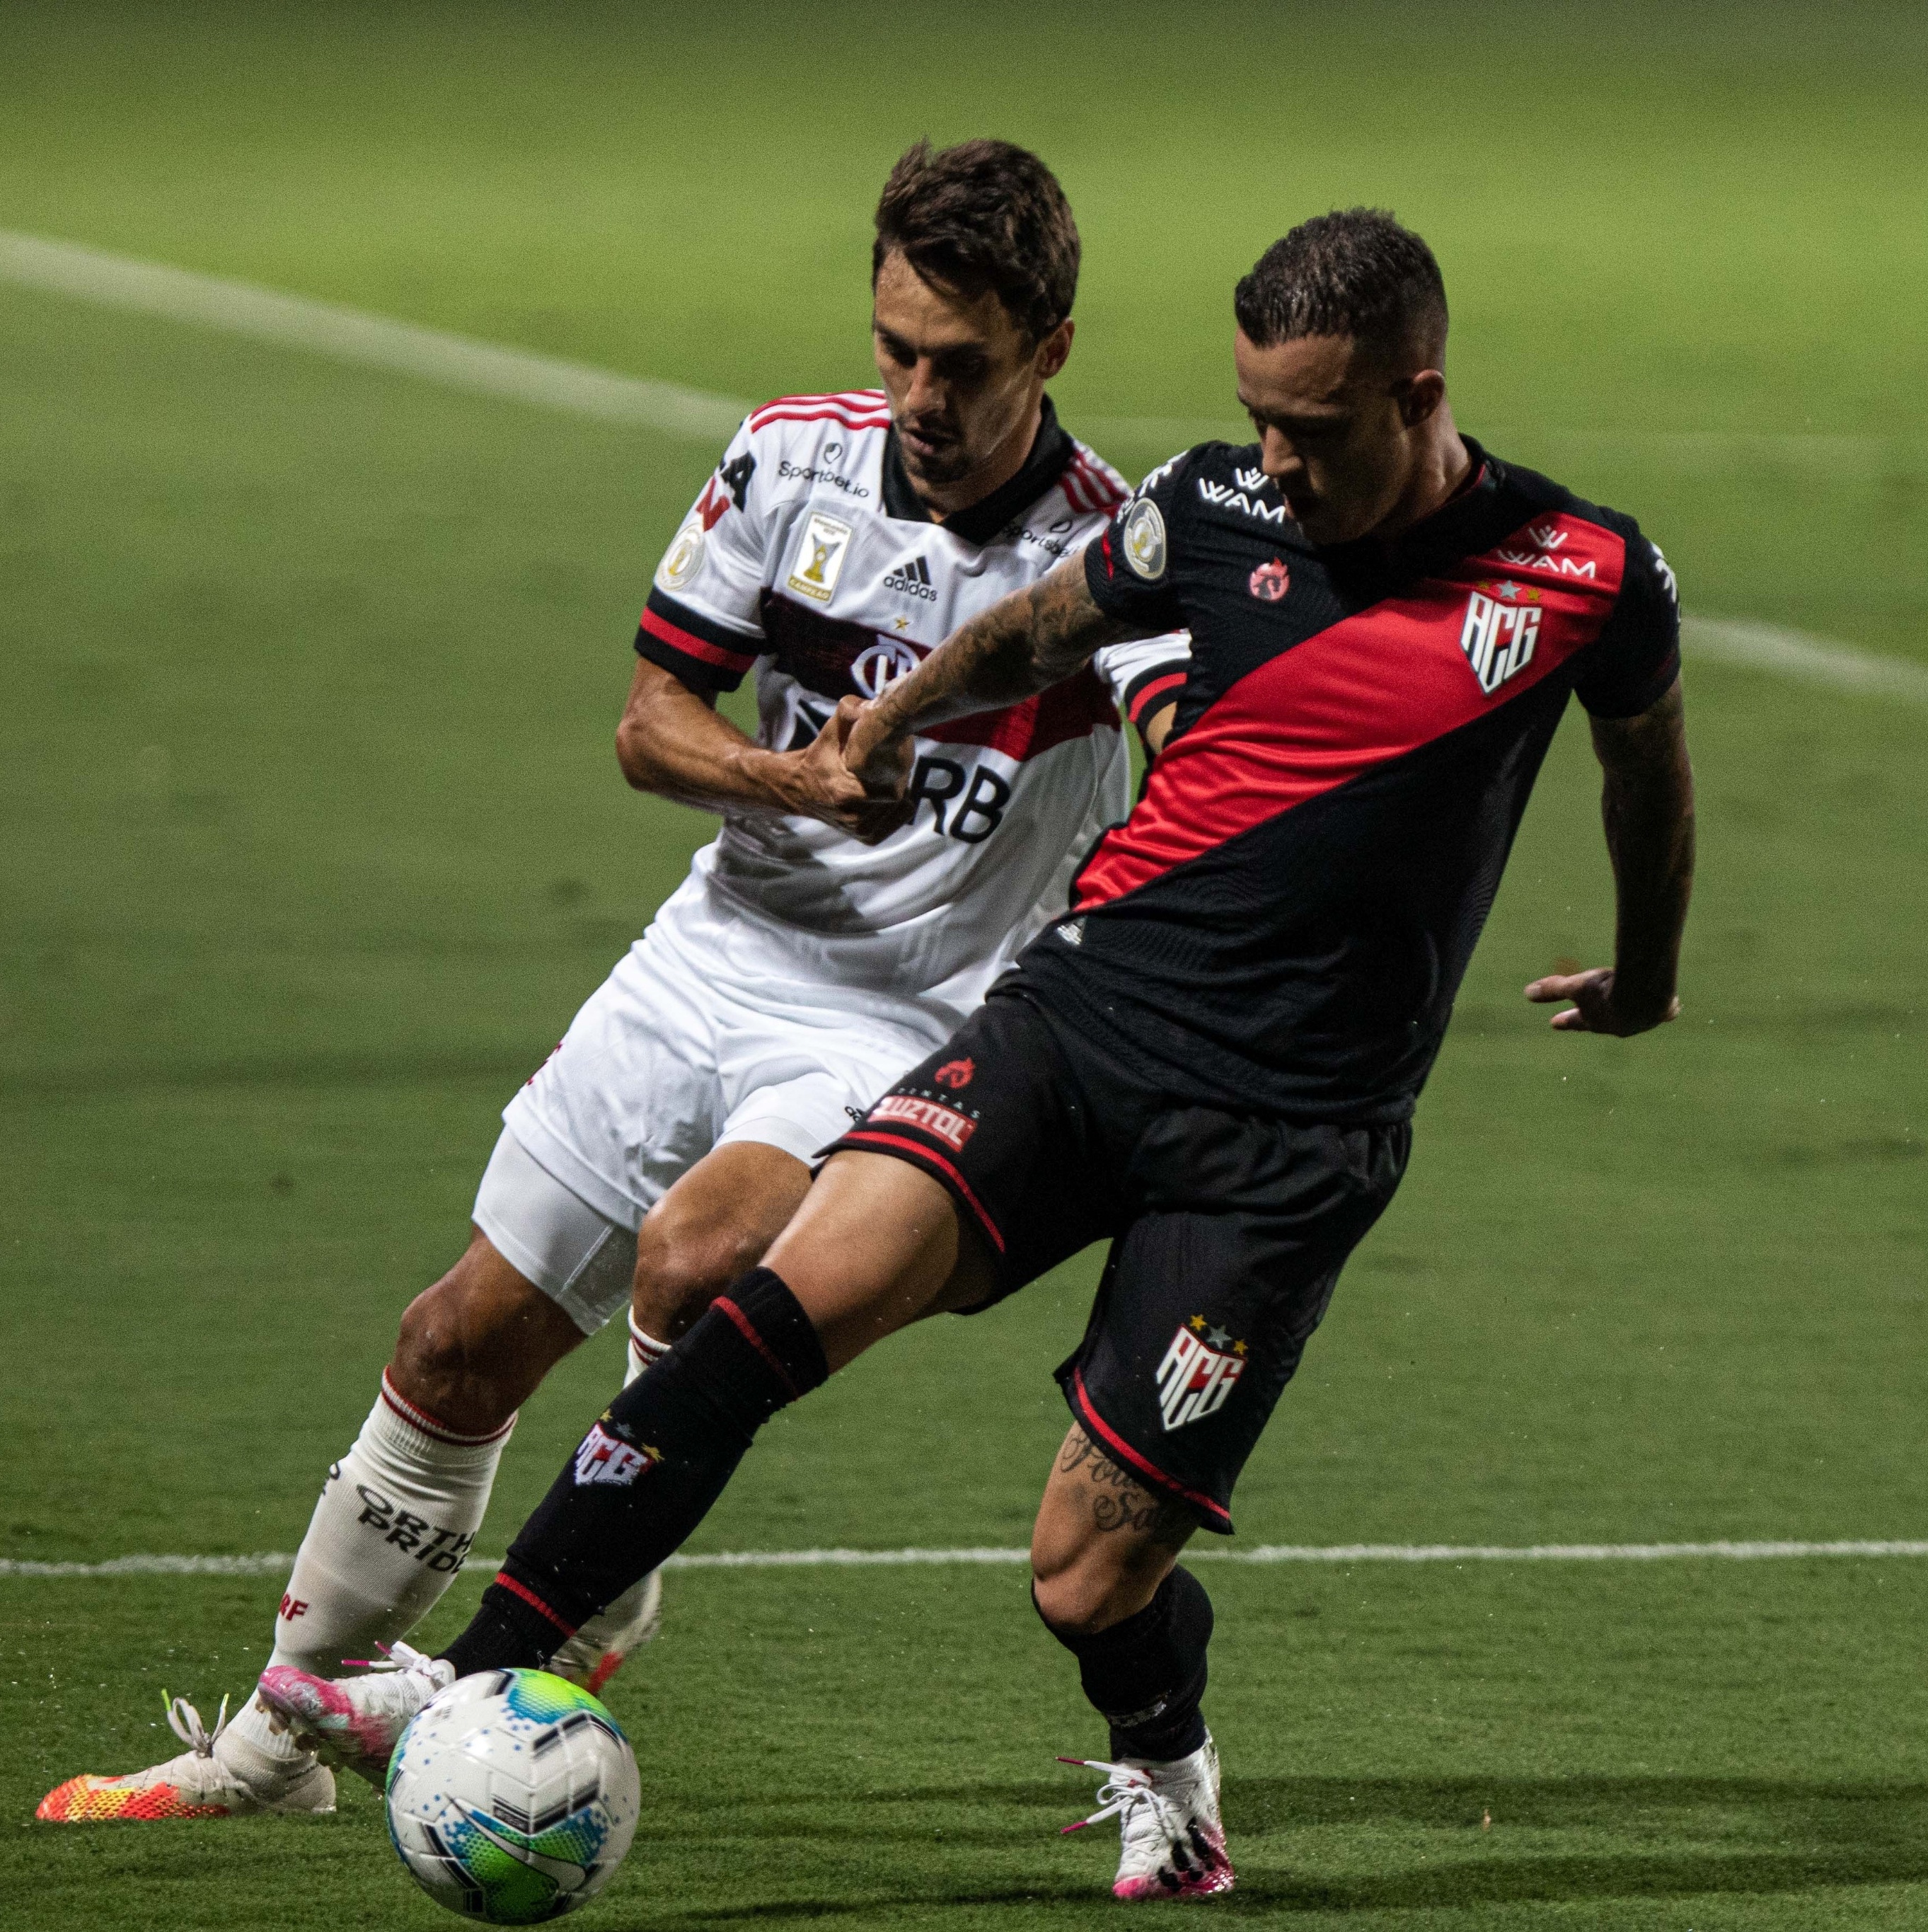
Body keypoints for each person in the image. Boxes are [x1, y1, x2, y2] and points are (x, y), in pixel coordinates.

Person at [255, 208, 1695, 1902]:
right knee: (753, 1313)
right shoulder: (1208, 508)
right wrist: (888, 715)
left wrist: (1649, 974)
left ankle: (1162, 1752)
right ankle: (483, 1669)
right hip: (1074, 1032)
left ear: (1417, 393)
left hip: (1286, 1141)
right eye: (1257, 418)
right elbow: (1036, 628)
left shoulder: (1584, 574)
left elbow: (1642, 779)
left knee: (1084, 1579)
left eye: (1310, 429)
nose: (1274, 461)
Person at [35, 138, 1188, 1827]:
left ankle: (603, 1569)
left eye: (964, 362)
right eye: (897, 349)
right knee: (451, 1343)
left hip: (909, 1017)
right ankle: (267, 1758)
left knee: (700, 1251)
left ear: (1051, 349)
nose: (920, 394)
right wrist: (801, 780)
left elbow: (1185, 742)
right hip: (714, 955)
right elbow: (653, 726)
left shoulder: (1111, 556)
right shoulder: (788, 459)